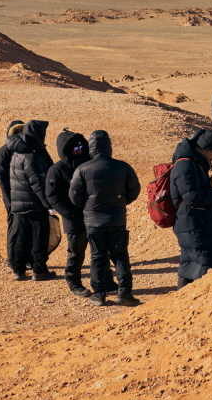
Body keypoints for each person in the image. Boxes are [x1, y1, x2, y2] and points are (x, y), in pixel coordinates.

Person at [68, 130, 142, 307]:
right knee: (121, 256)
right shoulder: (123, 167)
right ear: (109, 146)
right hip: (117, 218)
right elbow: (134, 191)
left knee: (97, 256)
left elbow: (74, 196)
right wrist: (120, 203)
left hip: (93, 221)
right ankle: (124, 293)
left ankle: (99, 295)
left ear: (91, 147)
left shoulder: (83, 169)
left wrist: (88, 206)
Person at [169, 129, 212, 286]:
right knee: (208, 265)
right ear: (211, 150)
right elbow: (192, 197)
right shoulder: (185, 165)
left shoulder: (194, 163)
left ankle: (182, 304)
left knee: (191, 265)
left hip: (197, 222)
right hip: (193, 224)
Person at [8, 119, 56, 280]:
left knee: (23, 237)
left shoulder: (18, 150)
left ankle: (18, 270)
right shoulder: (32, 155)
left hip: (19, 203)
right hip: (34, 204)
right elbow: (38, 183)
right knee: (40, 239)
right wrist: (49, 204)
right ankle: (39, 270)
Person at [46, 129, 90, 298]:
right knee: (76, 252)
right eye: (74, 148)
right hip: (73, 219)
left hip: (93, 215)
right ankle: (74, 282)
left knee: (101, 251)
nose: (78, 150)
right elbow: (52, 195)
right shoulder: (57, 170)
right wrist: (69, 214)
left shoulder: (89, 164)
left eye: (81, 146)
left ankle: (105, 282)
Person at [0, 119, 25, 272]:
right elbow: (2, 180)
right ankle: (12, 260)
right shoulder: (1, 154)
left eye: (23, 132)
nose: (21, 135)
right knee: (15, 228)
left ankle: (27, 259)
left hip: (27, 196)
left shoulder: (25, 150)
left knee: (28, 228)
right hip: (12, 196)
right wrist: (9, 201)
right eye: (18, 132)